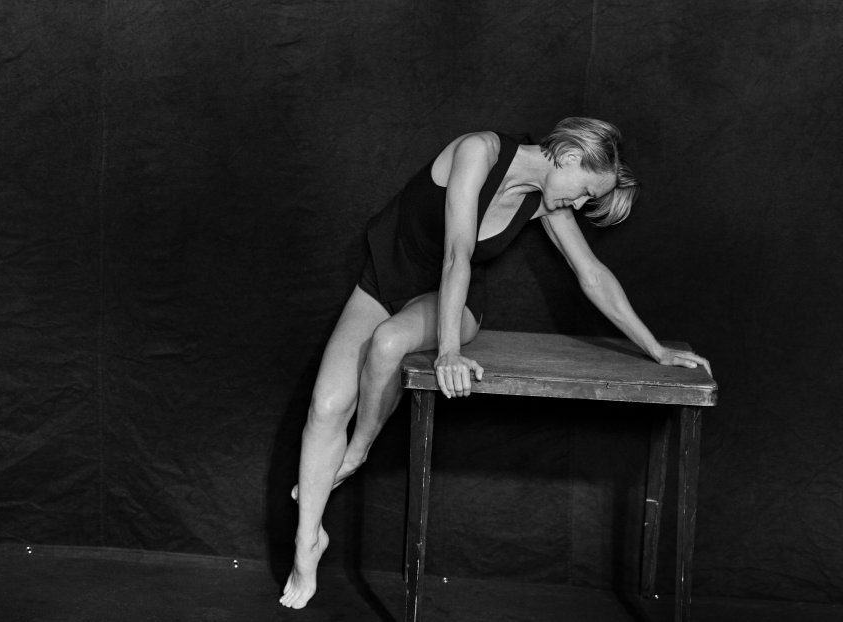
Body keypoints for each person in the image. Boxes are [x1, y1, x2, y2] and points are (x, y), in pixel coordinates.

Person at [279, 117, 711, 609]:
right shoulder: (479, 151)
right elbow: (456, 254)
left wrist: (655, 348)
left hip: (455, 304)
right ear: (570, 157)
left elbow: (591, 274)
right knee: (325, 406)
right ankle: (307, 541)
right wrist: (447, 353)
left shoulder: (544, 201)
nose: (579, 204)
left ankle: (356, 453)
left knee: (388, 342)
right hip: (386, 279)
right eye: (586, 192)